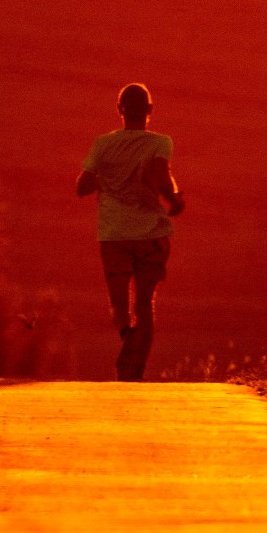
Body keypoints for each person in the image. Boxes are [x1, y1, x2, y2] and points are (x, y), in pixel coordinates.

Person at [76, 83, 185, 381]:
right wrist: (175, 199)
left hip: (114, 236)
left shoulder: (103, 145)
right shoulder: (160, 143)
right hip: (151, 235)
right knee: (145, 304)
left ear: (118, 109)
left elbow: (81, 187)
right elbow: (163, 176)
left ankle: (128, 340)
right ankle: (135, 368)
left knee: (120, 306)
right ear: (150, 111)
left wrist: (107, 180)